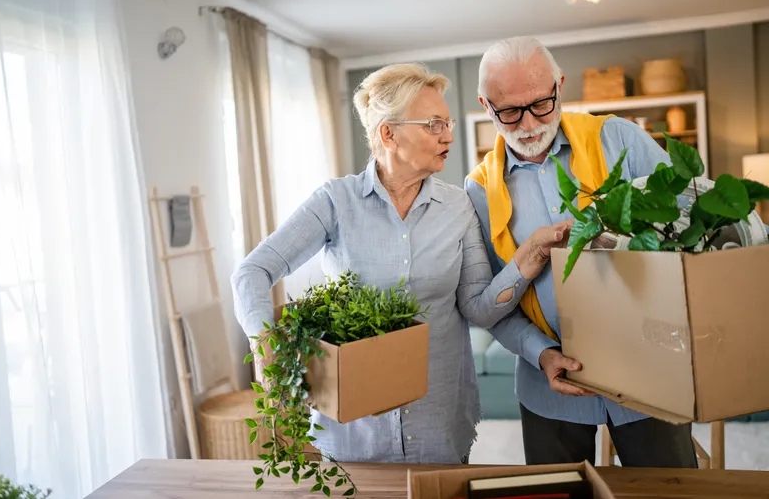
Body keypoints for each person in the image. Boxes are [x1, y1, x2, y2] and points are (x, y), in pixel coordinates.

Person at [233, 62, 572, 465]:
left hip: (438, 420)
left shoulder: (458, 206)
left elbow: (477, 308)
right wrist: (263, 341)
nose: (448, 135)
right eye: (433, 124)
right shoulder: (335, 202)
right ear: (388, 134)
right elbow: (252, 271)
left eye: (447, 123)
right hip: (354, 428)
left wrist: (527, 259)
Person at [465, 36, 699, 468]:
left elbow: (690, 225)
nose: (530, 124)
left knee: (670, 492)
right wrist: (541, 353)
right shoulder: (478, 191)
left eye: (541, 104)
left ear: (560, 85)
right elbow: (489, 304)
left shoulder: (620, 139)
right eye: (510, 112)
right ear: (485, 104)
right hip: (546, 387)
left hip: (648, 373)